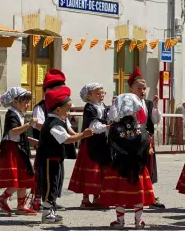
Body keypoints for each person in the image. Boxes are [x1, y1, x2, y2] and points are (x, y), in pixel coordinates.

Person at [36, 86, 93, 224]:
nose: (68, 113)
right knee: (50, 184)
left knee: (56, 183)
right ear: (58, 109)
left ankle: (51, 210)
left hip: (55, 159)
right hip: (49, 159)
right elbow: (66, 139)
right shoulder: (53, 124)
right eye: (67, 110)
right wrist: (83, 135)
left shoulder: (58, 121)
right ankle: (47, 213)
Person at [101, 93, 155, 229]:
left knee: (120, 194)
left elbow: (111, 144)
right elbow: (145, 145)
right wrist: (138, 155)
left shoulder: (114, 127)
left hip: (119, 165)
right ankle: (138, 221)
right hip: (138, 166)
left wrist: (122, 153)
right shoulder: (141, 127)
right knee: (138, 194)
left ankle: (120, 221)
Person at [30, 69, 76, 211]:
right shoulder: (41, 107)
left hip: (59, 146)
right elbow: (38, 124)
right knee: (45, 175)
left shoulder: (61, 107)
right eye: (58, 88)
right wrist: (56, 131)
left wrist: (74, 135)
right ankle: (43, 202)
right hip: (47, 146)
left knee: (58, 175)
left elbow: (67, 125)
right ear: (49, 90)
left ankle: (53, 200)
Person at [0, 87, 38, 215]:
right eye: (25, 101)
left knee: (24, 176)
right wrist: (28, 125)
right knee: (18, 178)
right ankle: (3, 198)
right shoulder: (11, 114)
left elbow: (19, 134)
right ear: (15, 101)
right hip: (12, 148)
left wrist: (32, 140)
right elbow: (13, 132)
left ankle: (21, 206)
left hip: (18, 147)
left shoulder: (18, 114)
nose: (27, 104)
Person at [68, 83, 111, 208]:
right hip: (91, 142)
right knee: (90, 170)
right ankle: (85, 199)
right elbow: (94, 126)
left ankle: (97, 197)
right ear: (89, 96)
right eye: (97, 93)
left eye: (102, 92)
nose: (101, 94)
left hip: (103, 142)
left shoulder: (105, 107)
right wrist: (107, 127)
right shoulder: (89, 108)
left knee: (101, 169)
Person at [127, 67, 164, 209]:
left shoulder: (148, 103)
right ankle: (132, 197)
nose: (142, 91)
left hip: (147, 141)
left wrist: (155, 107)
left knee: (149, 168)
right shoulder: (127, 102)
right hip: (132, 141)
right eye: (139, 88)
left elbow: (155, 120)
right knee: (134, 169)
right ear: (131, 89)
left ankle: (150, 196)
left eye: (144, 89)